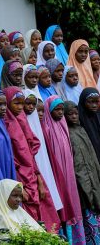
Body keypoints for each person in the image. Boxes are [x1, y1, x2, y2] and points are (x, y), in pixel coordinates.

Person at [3, 86, 60, 231]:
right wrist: (19, 187)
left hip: (32, 175)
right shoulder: (5, 125)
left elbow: (30, 153)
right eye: (16, 103)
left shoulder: (21, 119)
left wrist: (39, 179)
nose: (20, 107)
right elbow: (9, 160)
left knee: (46, 218)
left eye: (22, 103)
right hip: (20, 179)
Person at [42, 96, 85, 243]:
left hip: (70, 175)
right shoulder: (47, 129)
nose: (60, 113)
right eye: (57, 109)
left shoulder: (63, 125)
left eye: (62, 109)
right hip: (57, 175)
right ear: (49, 110)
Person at [64, 101, 100, 244]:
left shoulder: (81, 129)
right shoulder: (67, 133)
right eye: (70, 114)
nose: (73, 116)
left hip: (92, 180)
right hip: (81, 183)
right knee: (87, 218)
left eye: (75, 113)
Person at [22, 90, 63, 213]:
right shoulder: (19, 123)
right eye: (27, 103)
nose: (31, 107)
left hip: (41, 168)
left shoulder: (39, 125)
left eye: (33, 104)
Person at [78, 88, 100, 163]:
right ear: (83, 102)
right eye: (90, 102)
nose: (94, 105)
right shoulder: (79, 119)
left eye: (97, 102)